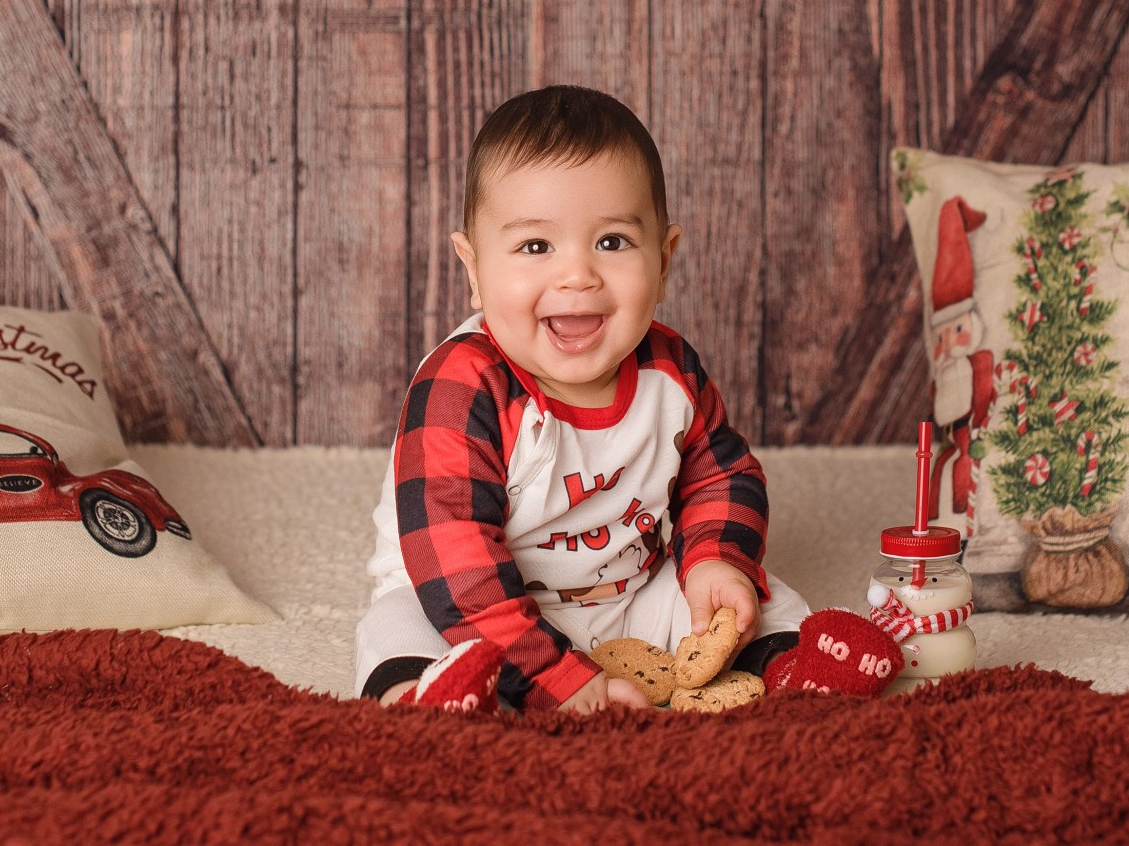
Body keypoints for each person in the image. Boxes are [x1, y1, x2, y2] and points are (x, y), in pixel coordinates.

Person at [352, 85, 829, 713]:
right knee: (394, 629)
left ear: (663, 259)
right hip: (468, 605)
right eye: (534, 246)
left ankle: (801, 665)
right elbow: (454, 551)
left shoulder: (671, 370)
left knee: (755, 602)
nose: (577, 275)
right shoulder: (462, 384)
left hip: (626, 594)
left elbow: (721, 475)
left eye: (611, 242)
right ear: (472, 268)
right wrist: (551, 674)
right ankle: (433, 700)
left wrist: (716, 560)